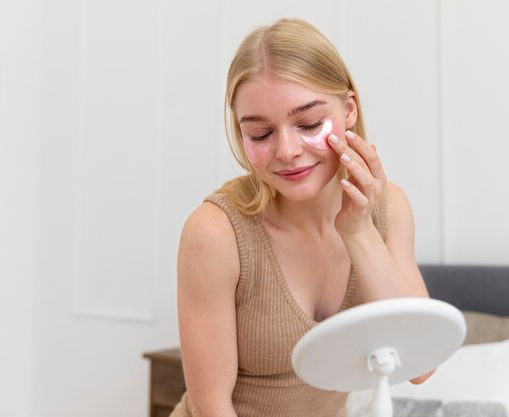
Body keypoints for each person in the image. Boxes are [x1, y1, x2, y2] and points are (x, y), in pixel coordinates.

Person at [170, 18, 432, 417]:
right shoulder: (216, 232)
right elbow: (211, 408)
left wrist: (358, 232)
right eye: (260, 134)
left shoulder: (388, 208)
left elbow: (420, 365)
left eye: (308, 123)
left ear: (348, 111)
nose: (287, 150)